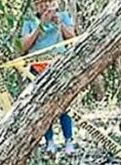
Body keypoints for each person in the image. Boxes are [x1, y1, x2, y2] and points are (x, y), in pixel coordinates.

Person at [22, 0, 76, 154]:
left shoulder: (64, 16)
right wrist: (40, 26)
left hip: (59, 65)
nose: (44, 6)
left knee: (64, 105)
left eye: (47, 2)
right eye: (39, 3)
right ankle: (49, 141)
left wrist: (60, 24)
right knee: (42, 105)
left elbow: (72, 38)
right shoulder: (29, 21)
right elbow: (23, 46)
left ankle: (68, 141)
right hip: (37, 68)